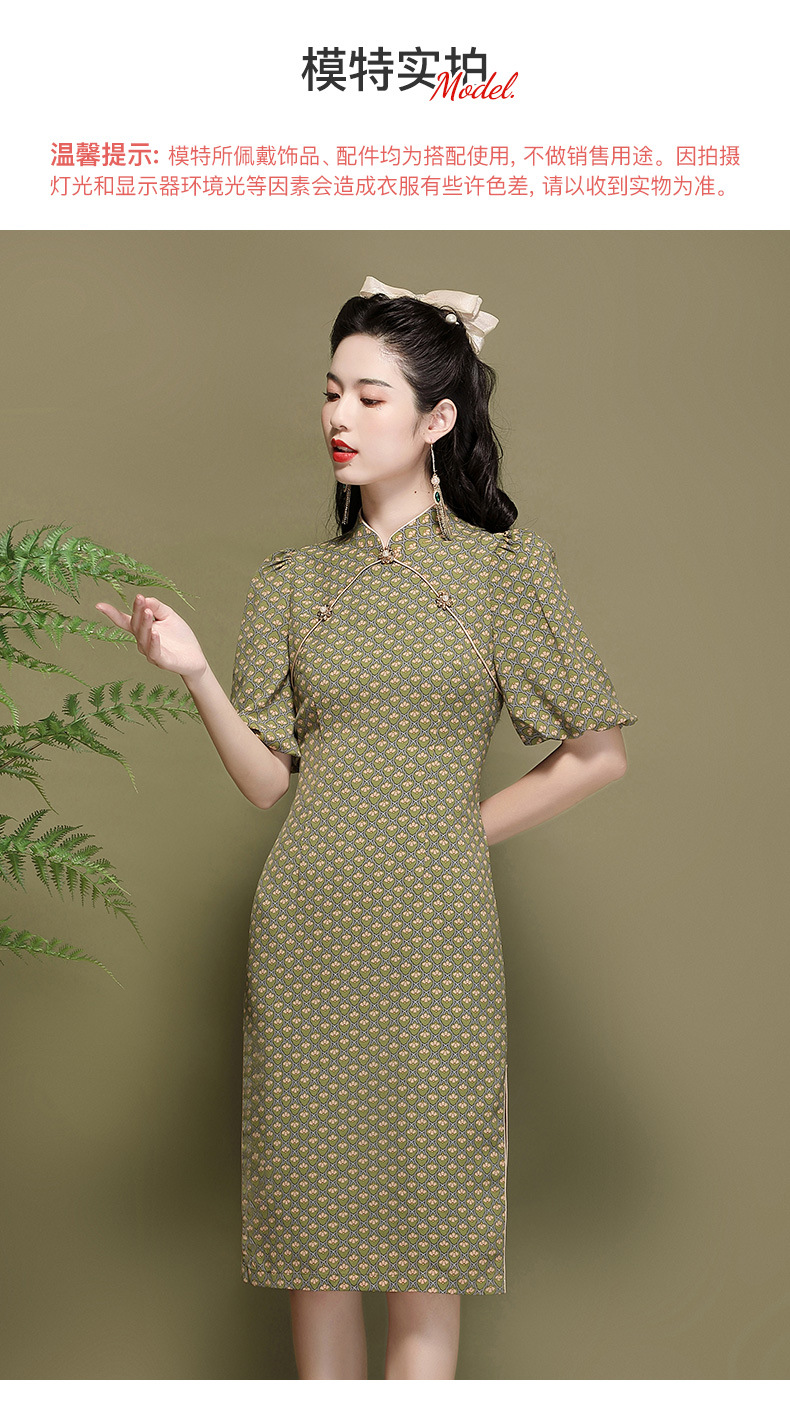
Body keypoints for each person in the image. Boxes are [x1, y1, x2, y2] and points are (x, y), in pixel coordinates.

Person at [96, 275, 638, 1380]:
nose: (338, 416)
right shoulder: (294, 583)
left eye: (370, 397)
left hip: (438, 940)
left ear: (436, 420)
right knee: (318, 1246)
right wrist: (195, 672)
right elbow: (265, 785)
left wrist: (447, 834)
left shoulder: (501, 570)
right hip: (308, 930)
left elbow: (596, 756)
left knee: (430, 1241)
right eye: (331, 392)